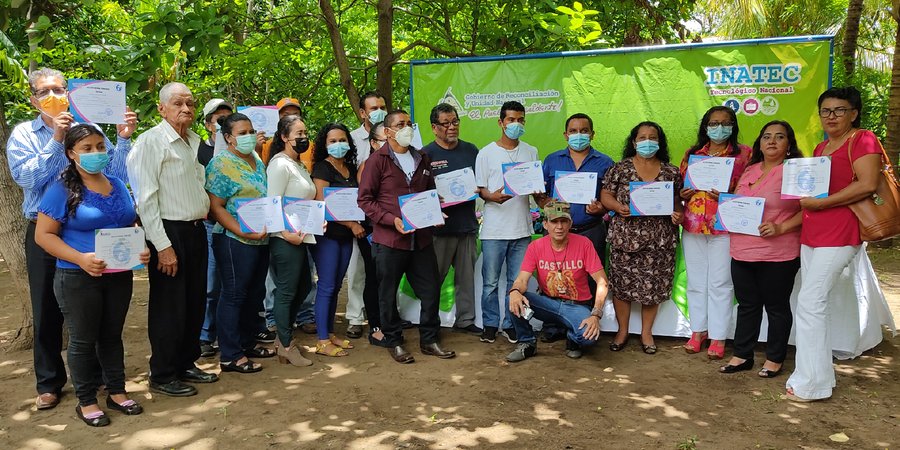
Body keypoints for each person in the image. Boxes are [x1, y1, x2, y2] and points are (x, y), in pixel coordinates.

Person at [7, 68, 137, 410]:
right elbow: (26, 179)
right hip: (46, 230)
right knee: (47, 310)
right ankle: (49, 382)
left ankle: (93, 381)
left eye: (60, 89)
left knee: (97, 313)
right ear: (34, 99)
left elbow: (118, 177)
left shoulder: (90, 128)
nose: (55, 95)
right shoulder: (25, 134)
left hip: (94, 232)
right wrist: (56, 140)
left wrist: (122, 139)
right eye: (46, 91)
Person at [33, 124, 148, 426]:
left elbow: (129, 222)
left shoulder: (118, 184)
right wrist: (80, 259)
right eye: (87, 148)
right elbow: (43, 236)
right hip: (77, 277)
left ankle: (117, 391)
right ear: (71, 154)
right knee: (83, 340)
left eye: (100, 146)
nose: (96, 153)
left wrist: (140, 245)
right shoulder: (61, 189)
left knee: (111, 336)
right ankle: (86, 401)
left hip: (119, 274)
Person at [786, 87, 884, 402]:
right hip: (813, 232)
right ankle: (816, 377)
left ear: (854, 113)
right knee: (811, 303)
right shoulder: (820, 147)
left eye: (839, 110)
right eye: (825, 110)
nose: (831, 116)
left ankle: (811, 384)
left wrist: (822, 203)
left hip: (842, 232)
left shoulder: (863, 139)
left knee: (810, 303)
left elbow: (868, 184)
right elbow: (811, 192)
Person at [127, 82, 219, 397]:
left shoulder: (195, 141)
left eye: (191, 104)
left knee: (194, 301)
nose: (186, 109)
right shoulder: (150, 142)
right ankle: (163, 373)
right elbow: (146, 200)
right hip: (168, 231)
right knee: (170, 306)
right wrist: (163, 246)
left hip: (195, 230)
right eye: (178, 103)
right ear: (162, 108)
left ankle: (185, 363)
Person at [358, 109, 456, 364]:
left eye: (409, 123)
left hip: (421, 240)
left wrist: (435, 210)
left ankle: (430, 339)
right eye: (400, 124)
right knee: (387, 294)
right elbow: (365, 200)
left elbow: (429, 192)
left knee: (431, 289)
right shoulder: (377, 161)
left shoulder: (421, 157)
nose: (406, 128)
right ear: (388, 132)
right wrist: (393, 220)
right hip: (390, 241)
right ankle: (394, 340)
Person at [720, 121, 803, 377]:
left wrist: (782, 228)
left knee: (776, 306)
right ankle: (742, 355)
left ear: (789, 144)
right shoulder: (750, 169)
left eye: (779, 137)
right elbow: (737, 203)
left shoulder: (795, 171)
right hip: (742, 249)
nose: (772, 141)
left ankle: (775, 358)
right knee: (747, 304)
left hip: (778, 251)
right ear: (759, 142)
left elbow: (810, 209)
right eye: (767, 136)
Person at [600, 121, 684, 354]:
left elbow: (677, 202)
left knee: (652, 288)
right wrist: (617, 206)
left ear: (660, 141)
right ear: (634, 141)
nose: (648, 141)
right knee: (622, 287)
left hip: (660, 241)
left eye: (653, 137)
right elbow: (605, 194)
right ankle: (622, 330)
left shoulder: (671, 171)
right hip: (626, 238)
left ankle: (647, 333)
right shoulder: (619, 169)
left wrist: (679, 214)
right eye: (642, 137)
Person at [679, 106, 752, 359]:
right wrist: (682, 194)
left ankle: (719, 336)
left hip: (725, 225)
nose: (719, 128)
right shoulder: (692, 153)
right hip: (693, 225)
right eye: (713, 123)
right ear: (705, 126)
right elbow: (681, 186)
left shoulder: (745, 154)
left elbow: (753, 188)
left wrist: (729, 196)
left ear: (733, 125)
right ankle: (698, 331)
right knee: (696, 282)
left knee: (721, 283)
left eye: (725, 122)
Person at [205, 113, 273, 374]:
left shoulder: (256, 158)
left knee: (254, 294)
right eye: (242, 133)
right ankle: (231, 355)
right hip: (234, 239)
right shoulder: (221, 164)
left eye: (251, 131)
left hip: (261, 238)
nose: (248, 137)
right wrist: (242, 231)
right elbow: (216, 206)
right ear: (228, 138)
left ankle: (247, 342)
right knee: (234, 295)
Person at [539, 113, 615, 343]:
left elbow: (610, 198)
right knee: (551, 279)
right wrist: (545, 203)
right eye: (573, 131)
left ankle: (583, 328)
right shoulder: (552, 160)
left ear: (592, 134)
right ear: (565, 134)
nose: (578, 135)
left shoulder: (605, 162)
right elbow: (540, 195)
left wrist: (601, 209)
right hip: (557, 233)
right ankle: (553, 328)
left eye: (584, 130)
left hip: (591, 230)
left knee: (589, 282)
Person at [505, 201, 610, 362]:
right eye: (554, 222)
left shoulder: (584, 244)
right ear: (545, 224)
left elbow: (602, 282)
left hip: (577, 305)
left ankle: (573, 337)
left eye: (563, 221)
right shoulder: (535, 247)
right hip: (549, 303)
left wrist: (596, 314)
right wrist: (515, 291)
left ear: (570, 223)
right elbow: (522, 279)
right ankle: (527, 343)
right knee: (512, 299)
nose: (559, 227)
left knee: (589, 338)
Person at [475, 100, 539, 344]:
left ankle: (511, 323)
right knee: (490, 283)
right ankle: (490, 324)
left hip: (522, 229)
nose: (516, 124)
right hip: (493, 229)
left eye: (520, 120)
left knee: (516, 283)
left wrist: (540, 193)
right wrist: (491, 196)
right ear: (500, 122)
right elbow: (480, 190)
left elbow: (534, 187)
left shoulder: (531, 151)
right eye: (511, 120)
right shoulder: (486, 153)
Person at [422, 103, 481, 335]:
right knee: (433, 279)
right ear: (434, 127)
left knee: (466, 279)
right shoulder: (425, 154)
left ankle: (465, 320)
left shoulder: (471, 150)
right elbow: (420, 191)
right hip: (439, 229)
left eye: (455, 121)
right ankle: (430, 323)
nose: (452, 127)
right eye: (446, 123)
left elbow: (481, 181)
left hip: (467, 225)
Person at [261, 97, 316, 338]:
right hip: (285, 239)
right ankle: (285, 344)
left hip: (301, 236)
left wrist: (317, 219)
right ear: (284, 137)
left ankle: (286, 332)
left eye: (305, 132)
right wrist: (284, 233)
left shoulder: (299, 165)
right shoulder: (279, 165)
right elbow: (272, 202)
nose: (303, 137)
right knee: (287, 290)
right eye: (298, 133)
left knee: (303, 286)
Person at [310, 122, 364, 356]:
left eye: (342, 140)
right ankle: (322, 341)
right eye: (332, 141)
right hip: (327, 236)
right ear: (325, 144)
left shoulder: (351, 168)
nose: (338, 144)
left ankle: (330, 333)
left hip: (345, 237)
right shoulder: (322, 168)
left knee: (335, 286)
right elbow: (323, 204)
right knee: (327, 286)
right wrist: (352, 224)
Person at [346, 91, 389, 338]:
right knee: (358, 271)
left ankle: (385, 317)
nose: (379, 111)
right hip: (360, 218)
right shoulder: (352, 140)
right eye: (373, 108)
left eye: (382, 106)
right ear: (363, 112)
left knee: (383, 272)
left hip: (387, 220)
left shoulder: (397, 133)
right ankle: (354, 317)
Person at [197, 98, 234, 358]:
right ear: (209, 124)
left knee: (233, 281)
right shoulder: (199, 150)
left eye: (227, 119)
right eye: (218, 120)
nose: (222, 124)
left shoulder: (244, 153)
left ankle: (229, 333)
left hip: (238, 224)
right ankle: (205, 335)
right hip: (210, 224)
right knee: (211, 283)